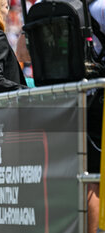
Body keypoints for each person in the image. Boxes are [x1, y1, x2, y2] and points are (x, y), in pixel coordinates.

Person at [16, 2, 104, 232]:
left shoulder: (40, 5)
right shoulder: (100, 7)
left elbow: (23, 53)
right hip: (94, 98)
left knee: (63, 175)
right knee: (91, 177)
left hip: (56, 100)